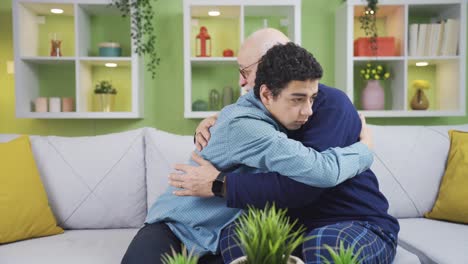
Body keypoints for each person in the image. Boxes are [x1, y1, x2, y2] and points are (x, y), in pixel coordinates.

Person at [122, 41, 374, 264]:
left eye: (311, 98)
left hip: (218, 236)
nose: (308, 110)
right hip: (177, 228)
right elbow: (322, 171)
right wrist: (364, 150)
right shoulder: (248, 125)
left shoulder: (288, 110)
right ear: (267, 91)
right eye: (298, 99)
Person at [174, 29, 399, 263]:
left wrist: (219, 183)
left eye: (245, 70)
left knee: (322, 244)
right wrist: (214, 120)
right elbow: (240, 120)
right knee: (237, 235)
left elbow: (304, 185)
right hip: (295, 228)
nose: (241, 80)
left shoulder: (333, 105)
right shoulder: (264, 109)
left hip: (353, 221)